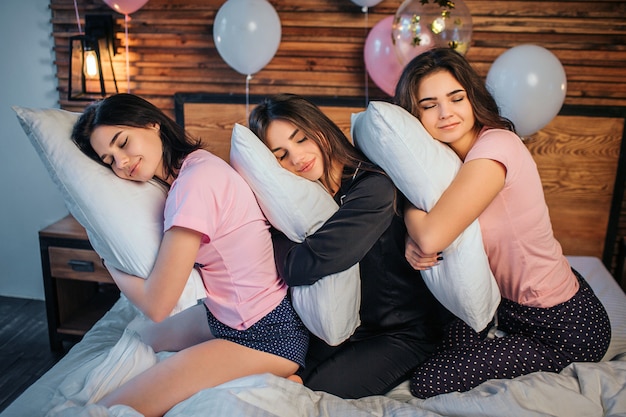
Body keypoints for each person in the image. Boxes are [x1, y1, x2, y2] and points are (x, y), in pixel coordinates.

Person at [71, 93, 308, 417]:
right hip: (225, 315)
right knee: (135, 338)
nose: (121, 162)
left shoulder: (195, 184)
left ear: (151, 123)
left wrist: (108, 258)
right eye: (109, 159)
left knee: (110, 408)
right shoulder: (193, 166)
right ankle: (266, 379)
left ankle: (269, 376)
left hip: (267, 333)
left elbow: (157, 305)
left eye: (122, 143)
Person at [394, 47, 611, 398]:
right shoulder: (447, 160)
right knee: (438, 336)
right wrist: (412, 237)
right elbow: (436, 227)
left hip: (562, 325)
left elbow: (432, 236)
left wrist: (412, 221)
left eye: (455, 98)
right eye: (429, 105)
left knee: (428, 381)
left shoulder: (496, 147)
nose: (445, 113)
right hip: (506, 307)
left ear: (473, 98)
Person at [248, 93, 453, 399]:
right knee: (268, 379)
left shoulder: (374, 186)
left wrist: (294, 259)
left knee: (310, 393)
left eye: (301, 139)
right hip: (346, 329)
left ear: (319, 128)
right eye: (281, 155)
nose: (297, 157)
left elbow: (307, 263)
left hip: (402, 332)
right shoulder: (300, 202)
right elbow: (284, 253)